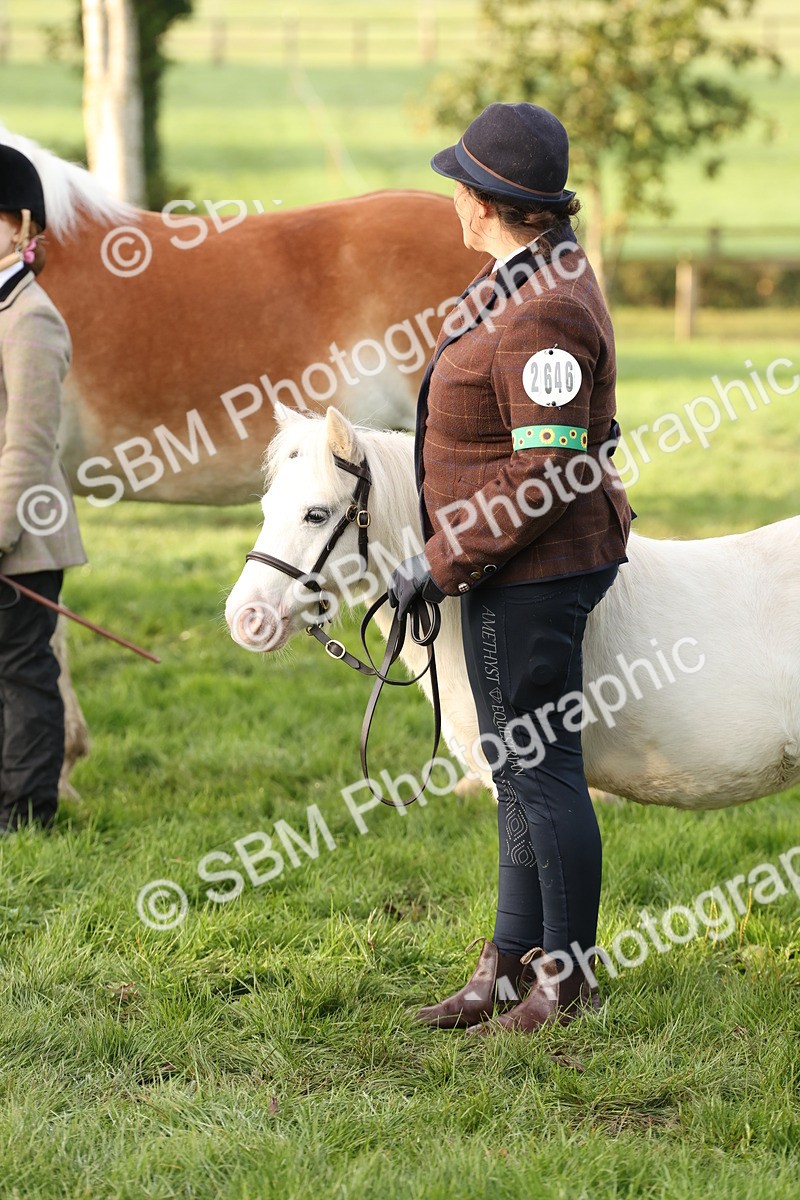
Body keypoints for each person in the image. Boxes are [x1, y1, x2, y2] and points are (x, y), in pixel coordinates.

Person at [387, 102, 634, 1033]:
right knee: (516, 765)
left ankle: (565, 979)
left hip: (532, 569)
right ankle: (511, 961)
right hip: (509, 566)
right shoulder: (522, 275)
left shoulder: (546, 308)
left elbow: (549, 473)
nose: (451, 195)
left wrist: (438, 560)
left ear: (488, 201)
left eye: (461, 182)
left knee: (540, 769)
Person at [0, 145, 86, 832]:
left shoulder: (30, 320)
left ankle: (28, 812)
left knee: (22, 672)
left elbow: (27, 447)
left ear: (22, 228)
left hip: (20, 535)